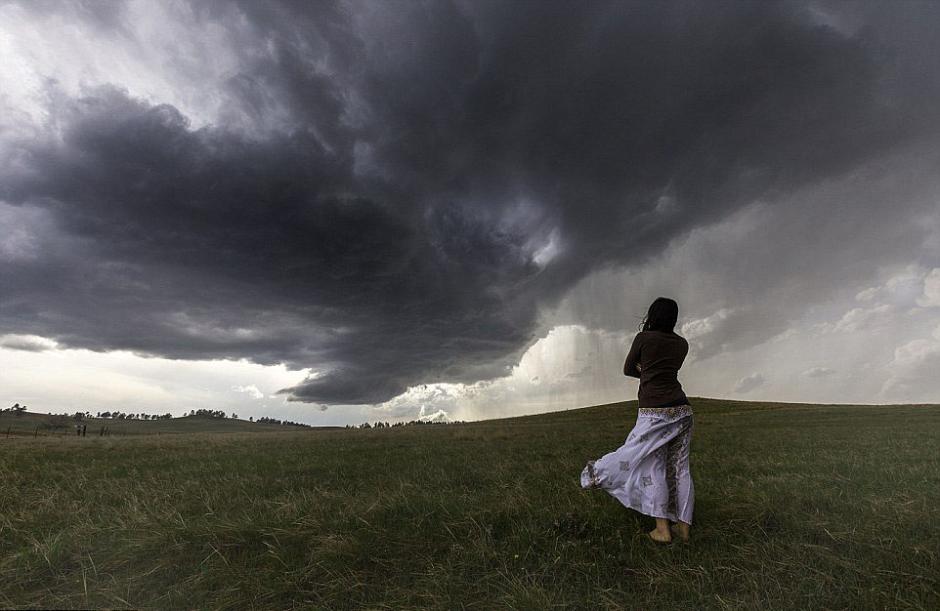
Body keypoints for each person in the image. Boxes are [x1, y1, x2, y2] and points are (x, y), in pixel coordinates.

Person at [580, 296, 694, 544]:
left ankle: (662, 529)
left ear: (652, 316)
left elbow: (628, 369)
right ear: (673, 318)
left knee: (653, 466)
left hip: (654, 412)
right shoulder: (682, 344)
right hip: (682, 411)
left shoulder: (644, 339)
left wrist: (646, 370)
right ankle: (683, 528)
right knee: (680, 469)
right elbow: (667, 370)